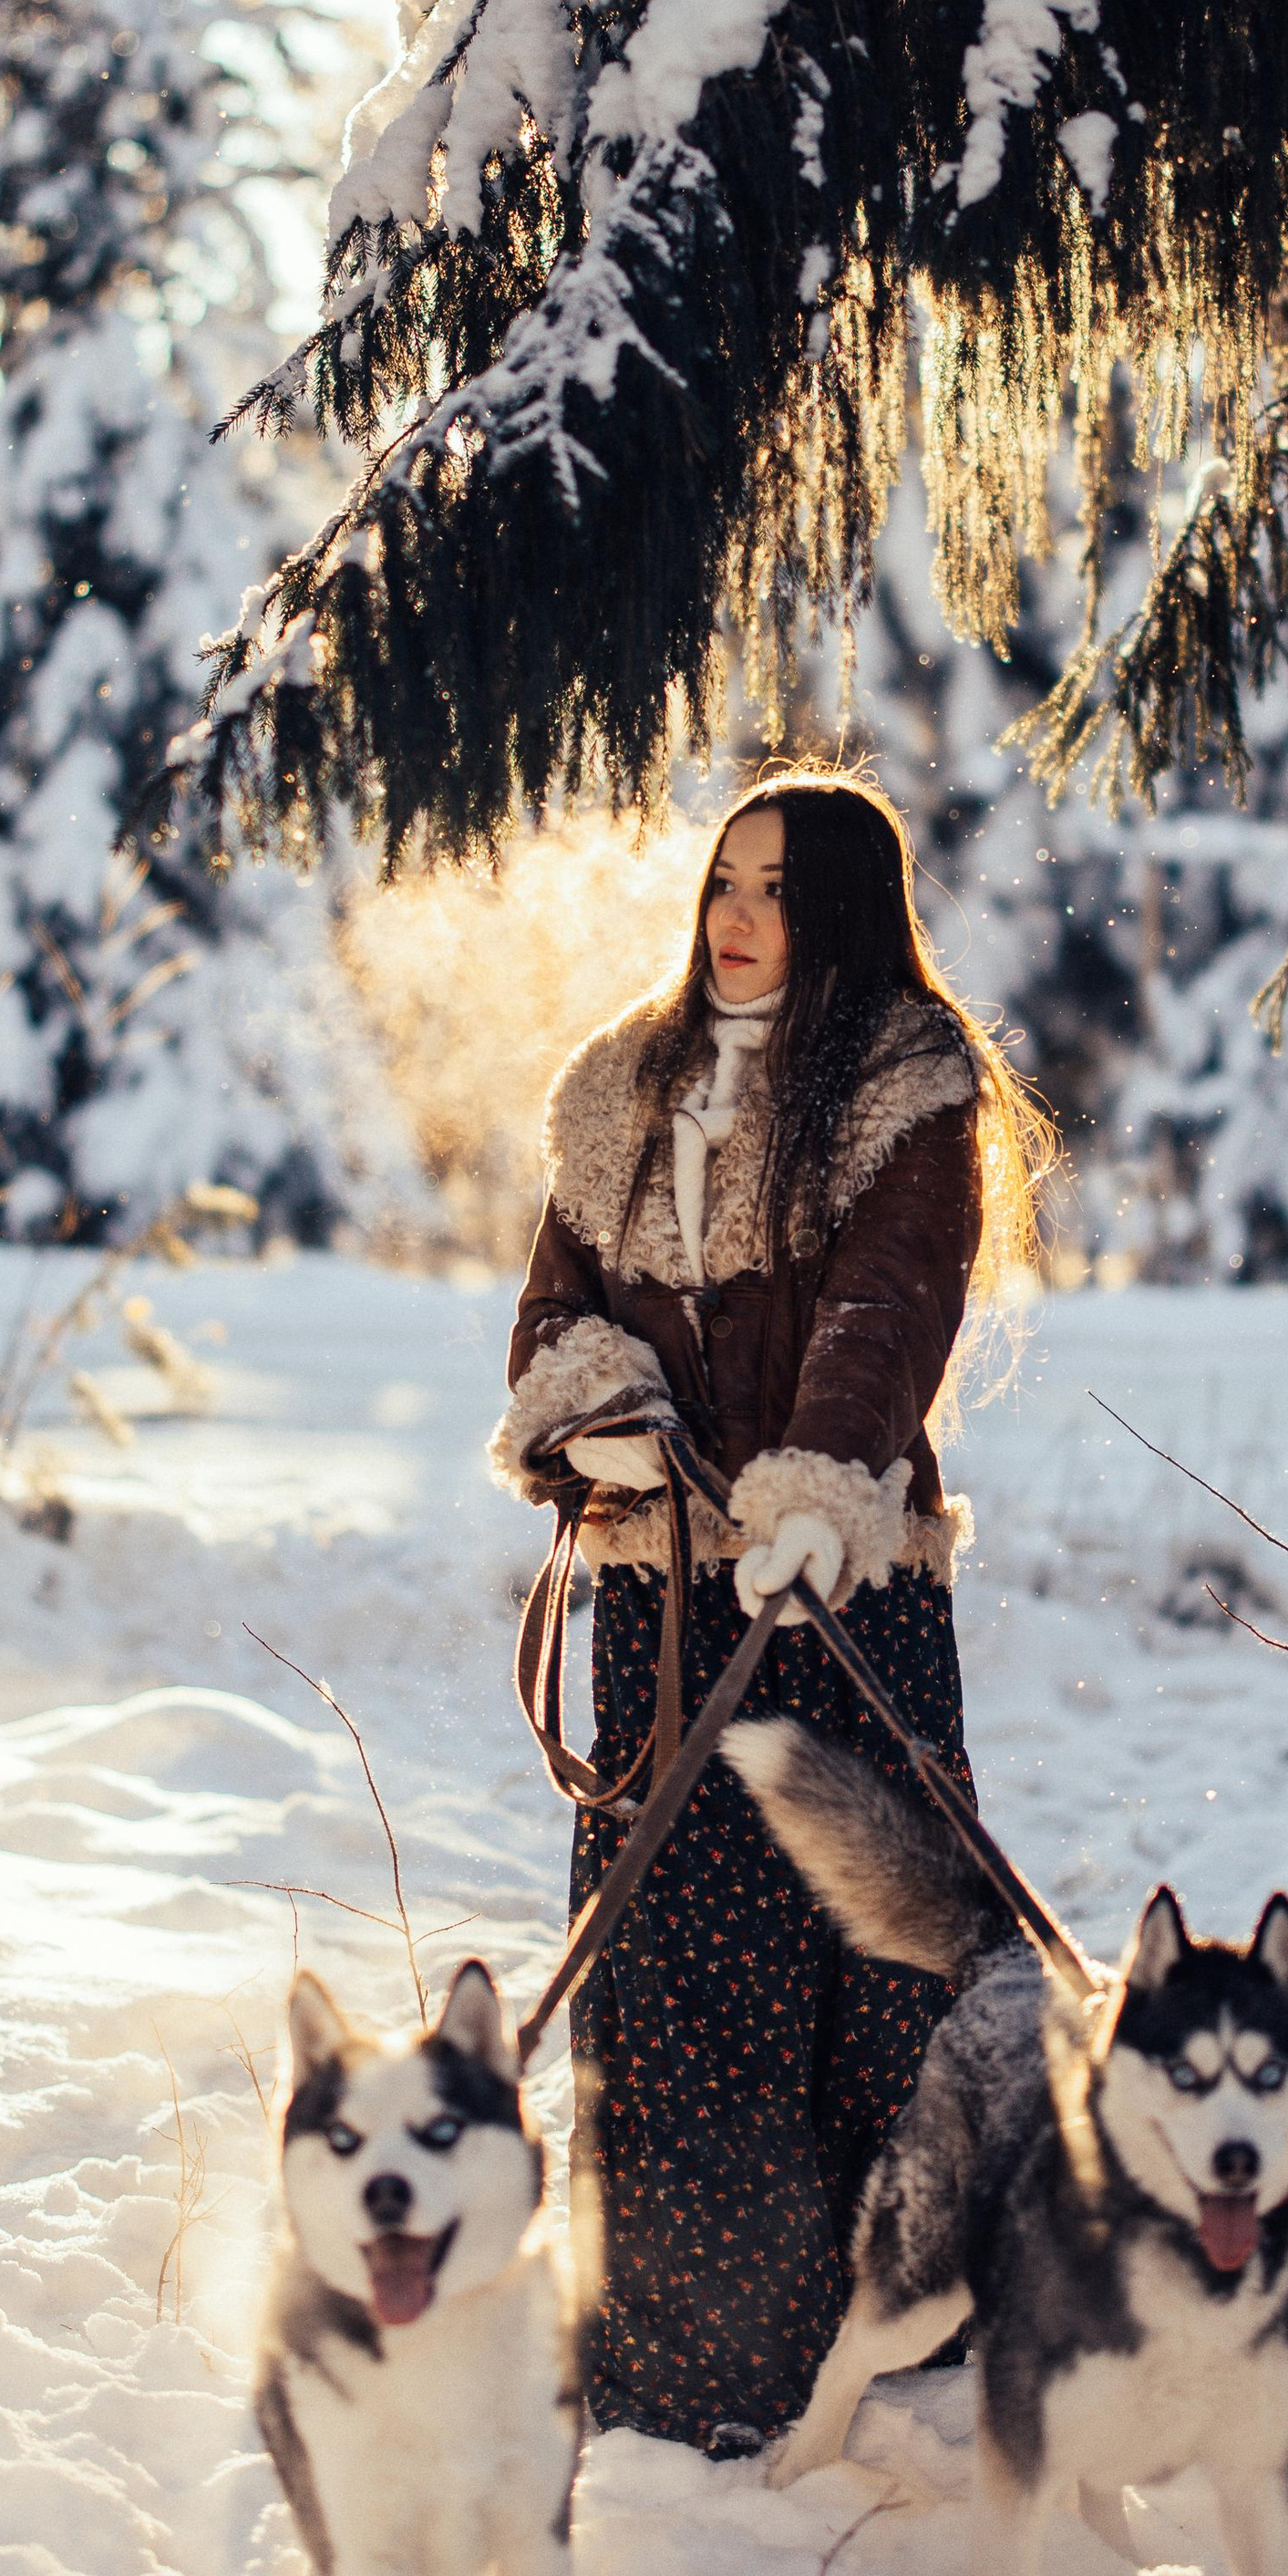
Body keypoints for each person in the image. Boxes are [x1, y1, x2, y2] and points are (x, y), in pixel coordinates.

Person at [489, 772, 1047, 2457]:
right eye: (724, 879)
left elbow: (886, 1309)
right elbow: (550, 1312)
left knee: (877, 1960)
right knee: (667, 1976)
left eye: (778, 889)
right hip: (659, 1604)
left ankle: (900, 2344)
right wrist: (581, 1406)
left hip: (842, 1587)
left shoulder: (903, 1089)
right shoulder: (614, 1092)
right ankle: (686, 2369)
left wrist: (812, 1490)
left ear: (847, 913)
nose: (736, 915)